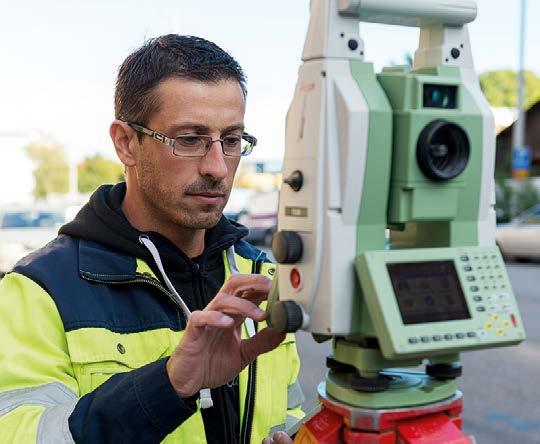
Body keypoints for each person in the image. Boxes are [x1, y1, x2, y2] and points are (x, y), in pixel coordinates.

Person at [0, 34, 303, 443]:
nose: (218, 167)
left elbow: (289, 413)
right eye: (190, 140)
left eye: (231, 140)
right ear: (126, 143)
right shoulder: (41, 291)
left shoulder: (260, 275)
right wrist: (167, 386)